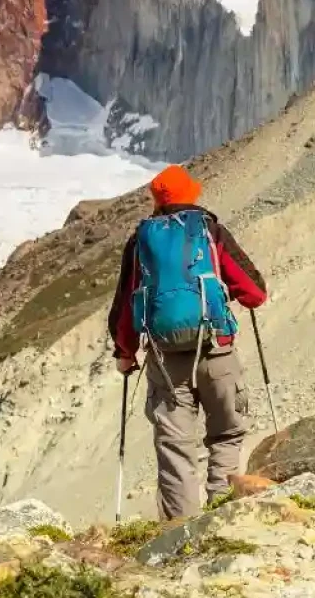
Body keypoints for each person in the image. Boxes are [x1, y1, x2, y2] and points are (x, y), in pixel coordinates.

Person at [109, 165, 268, 520]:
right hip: (216, 351)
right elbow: (254, 292)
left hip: (165, 361)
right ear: (190, 195)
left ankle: (181, 533)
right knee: (226, 434)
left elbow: (125, 304)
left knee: (175, 448)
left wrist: (124, 352)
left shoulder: (141, 241)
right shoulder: (208, 230)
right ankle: (224, 514)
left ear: (157, 201)